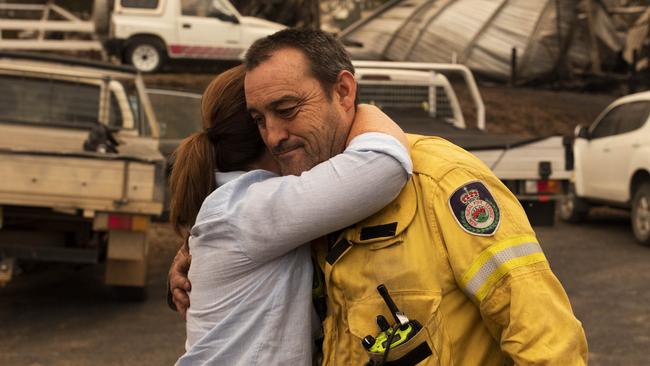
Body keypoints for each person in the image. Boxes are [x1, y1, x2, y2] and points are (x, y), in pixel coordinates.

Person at [170, 29, 588, 365]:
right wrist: (192, 258)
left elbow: (540, 331)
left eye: (289, 108)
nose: (275, 135)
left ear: (344, 92)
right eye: (261, 120)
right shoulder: (305, 207)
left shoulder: (437, 179)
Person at [168, 64, 413, 365]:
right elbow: (383, 163)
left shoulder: (236, 206)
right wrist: (351, 106)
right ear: (269, 134)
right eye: (285, 111)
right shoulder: (252, 206)